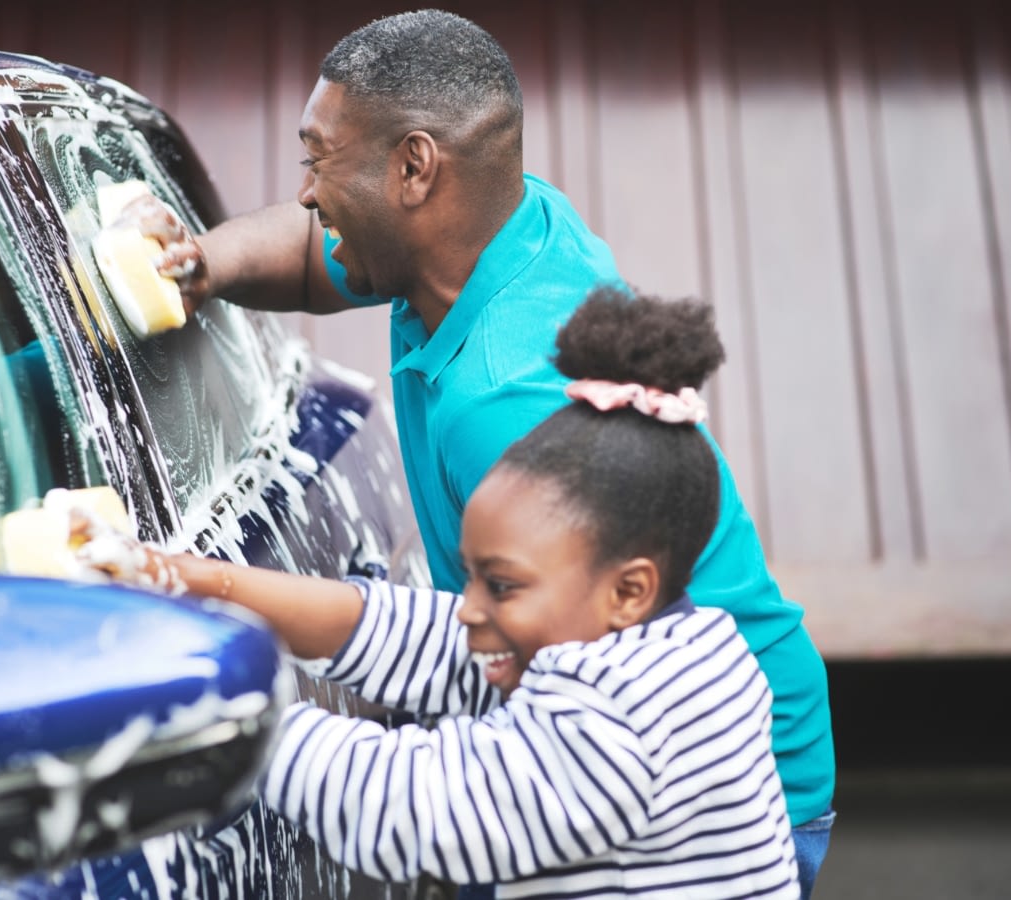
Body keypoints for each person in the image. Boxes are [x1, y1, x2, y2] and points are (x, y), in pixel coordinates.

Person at [125, 9, 835, 890]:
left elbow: (418, 807)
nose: (306, 191)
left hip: (707, 794)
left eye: (319, 160)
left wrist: (204, 701)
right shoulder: (486, 231)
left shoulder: (509, 404)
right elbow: (317, 254)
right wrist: (203, 264)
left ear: (414, 168)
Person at [78, 289, 800, 898]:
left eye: (504, 585)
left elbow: (415, 806)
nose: (472, 606)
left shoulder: (618, 724)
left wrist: (211, 710)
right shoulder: (681, 643)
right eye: (476, 576)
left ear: (629, 590)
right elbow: (414, 633)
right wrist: (192, 578)